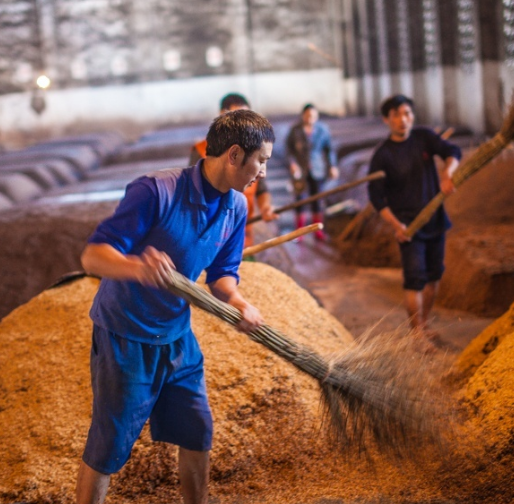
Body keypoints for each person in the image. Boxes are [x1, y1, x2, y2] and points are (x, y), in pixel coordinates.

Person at [76, 109, 274, 504]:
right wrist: (136, 266)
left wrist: (237, 301)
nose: (264, 172)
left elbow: (222, 274)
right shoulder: (155, 191)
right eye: (262, 160)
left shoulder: (235, 207)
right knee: (109, 447)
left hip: (177, 338)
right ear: (234, 155)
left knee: (197, 431)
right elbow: (93, 257)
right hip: (125, 337)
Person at [367, 95, 461, 337]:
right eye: (396, 115)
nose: (403, 120)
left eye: (407, 113)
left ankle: (424, 324)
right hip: (409, 228)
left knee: (434, 276)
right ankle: (416, 333)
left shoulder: (424, 137)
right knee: (414, 279)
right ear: (386, 119)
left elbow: (452, 150)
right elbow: (377, 198)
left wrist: (447, 173)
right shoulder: (382, 155)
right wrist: (397, 225)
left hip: (436, 220)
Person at [189, 93, 276, 249]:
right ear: (222, 116)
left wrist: (265, 207)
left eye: (248, 118)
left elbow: (261, 187)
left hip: (244, 238)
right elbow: (192, 195)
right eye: (239, 118)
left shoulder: (254, 152)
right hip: (211, 241)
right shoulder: (202, 151)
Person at [286, 103, 339, 241]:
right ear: (303, 115)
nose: (310, 118)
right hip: (300, 170)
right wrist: (292, 164)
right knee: (299, 201)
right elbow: (289, 150)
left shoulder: (323, 130)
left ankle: (318, 230)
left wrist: (332, 166)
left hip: (317, 169)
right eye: (308, 115)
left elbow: (329, 150)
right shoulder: (295, 130)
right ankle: (299, 232)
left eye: (313, 116)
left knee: (317, 201)